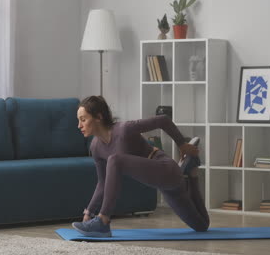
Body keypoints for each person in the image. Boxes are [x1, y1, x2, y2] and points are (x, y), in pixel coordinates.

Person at [72, 96, 209, 237]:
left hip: (165, 168)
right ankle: (191, 173)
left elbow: (163, 120)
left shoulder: (124, 129)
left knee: (115, 160)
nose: (79, 125)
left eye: (83, 120)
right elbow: (102, 182)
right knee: (202, 226)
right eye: (78, 121)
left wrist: (182, 145)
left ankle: (103, 220)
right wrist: (88, 212)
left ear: (98, 117)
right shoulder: (95, 147)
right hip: (163, 184)